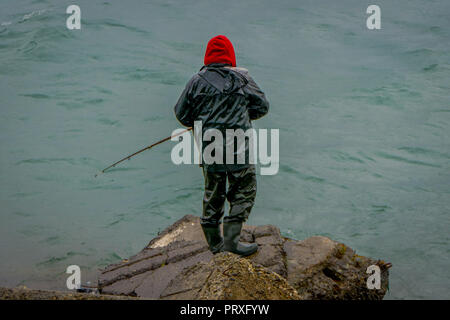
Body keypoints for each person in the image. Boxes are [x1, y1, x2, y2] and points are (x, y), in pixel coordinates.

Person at [174, 35, 269, 256]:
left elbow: (181, 114)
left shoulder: (195, 81)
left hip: (211, 147)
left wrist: (202, 120)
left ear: (207, 58)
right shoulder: (243, 79)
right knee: (243, 191)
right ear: (230, 57)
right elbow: (263, 107)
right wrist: (243, 115)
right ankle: (232, 244)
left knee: (213, 193)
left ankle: (216, 246)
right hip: (239, 148)